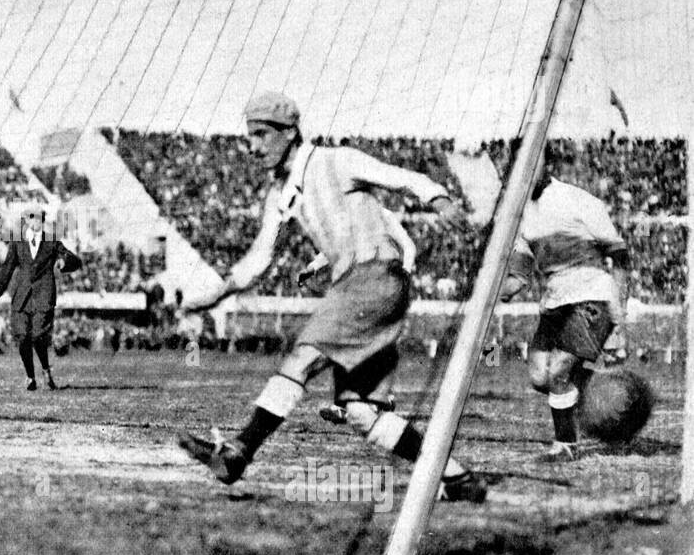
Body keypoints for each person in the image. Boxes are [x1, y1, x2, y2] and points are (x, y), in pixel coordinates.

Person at [177, 91, 486, 502]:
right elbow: (257, 261)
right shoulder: (280, 193)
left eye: (262, 135)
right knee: (361, 412)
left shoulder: (335, 160)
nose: (253, 147)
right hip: (361, 287)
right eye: (249, 136)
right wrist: (212, 297)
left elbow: (404, 177)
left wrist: (441, 201)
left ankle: (239, 452)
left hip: (372, 278)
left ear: (290, 132)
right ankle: (457, 479)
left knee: (302, 358)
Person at [499, 163, 630, 462]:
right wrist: (489, 289)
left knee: (558, 372)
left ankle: (565, 446)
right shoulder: (520, 213)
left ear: (544, 165)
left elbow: (619, 254)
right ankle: (614, 395)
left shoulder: (577, 199)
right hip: (555, 302)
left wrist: (619, 309)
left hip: (591, 295)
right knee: (539, 377)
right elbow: (517, 278)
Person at [0, 207, 82, 390]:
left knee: (38, 335)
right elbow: (7, 266)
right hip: (22, 296)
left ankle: (46, 369)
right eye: (31, 218)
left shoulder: (52, 241)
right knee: (23, 336)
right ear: (25, 220)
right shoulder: (18, 242)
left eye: (39, 218)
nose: (35, 221)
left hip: (43, 295)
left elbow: (73, 258)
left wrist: (64, 262)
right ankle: (30, 377)